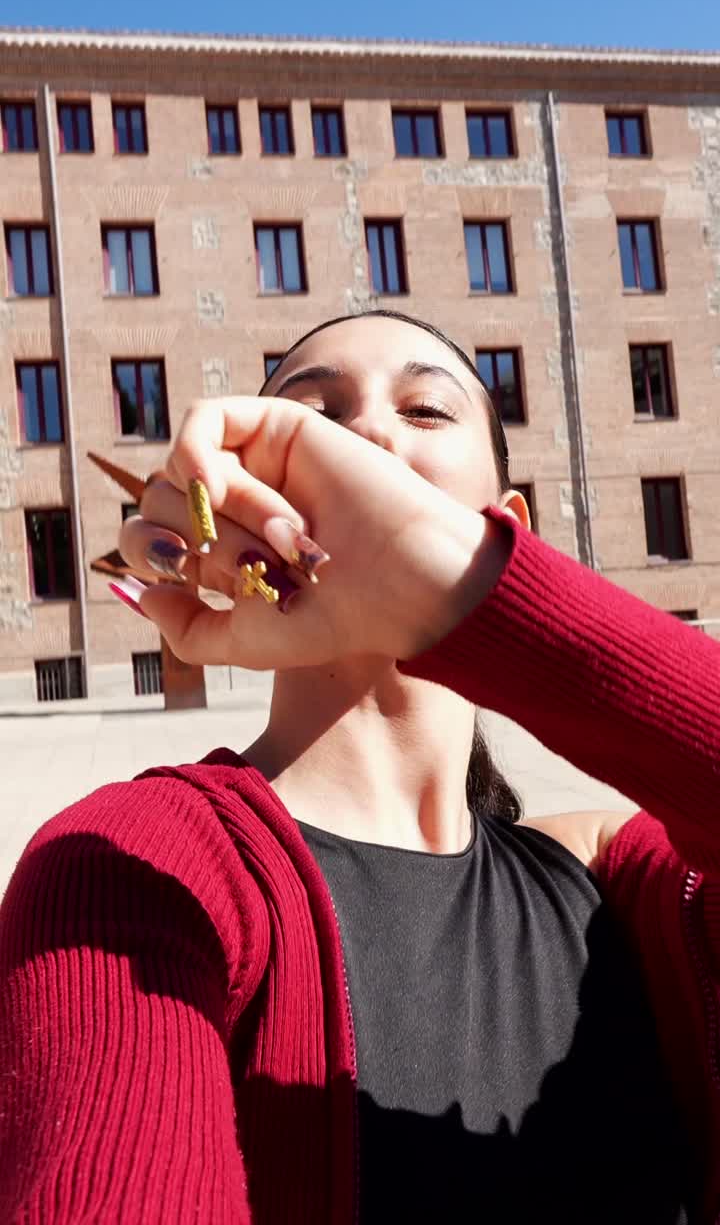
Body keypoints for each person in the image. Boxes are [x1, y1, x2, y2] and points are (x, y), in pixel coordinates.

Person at [1, 310, 718, 1224]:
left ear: (507, 528)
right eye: (314, 414)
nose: (370, 432)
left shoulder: (622, 887)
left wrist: (456, 591)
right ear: (239, 519)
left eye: (424, 410)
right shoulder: (135, 864)